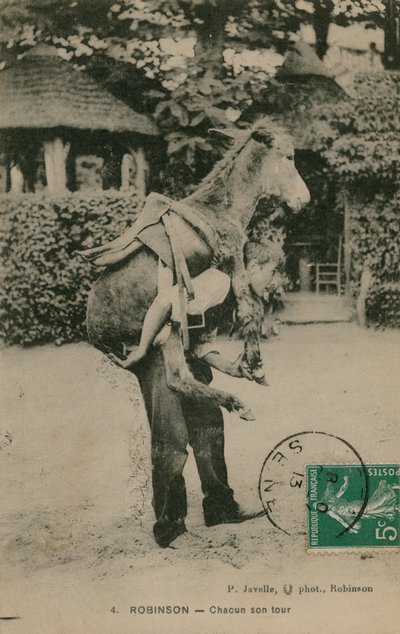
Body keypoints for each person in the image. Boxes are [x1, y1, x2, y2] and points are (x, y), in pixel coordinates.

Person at [110, 240, 285, 548]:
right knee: (172, 439)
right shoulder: (220, 282)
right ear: (253, 267)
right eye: (272, 272)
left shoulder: (230, 295)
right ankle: (170, 527)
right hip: (159, 357)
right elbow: (165, 303)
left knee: (209, 429)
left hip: (186, 357)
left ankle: (220, 507)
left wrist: (232, 368)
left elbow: (201, 344)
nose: (274, 281)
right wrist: (140, 351)